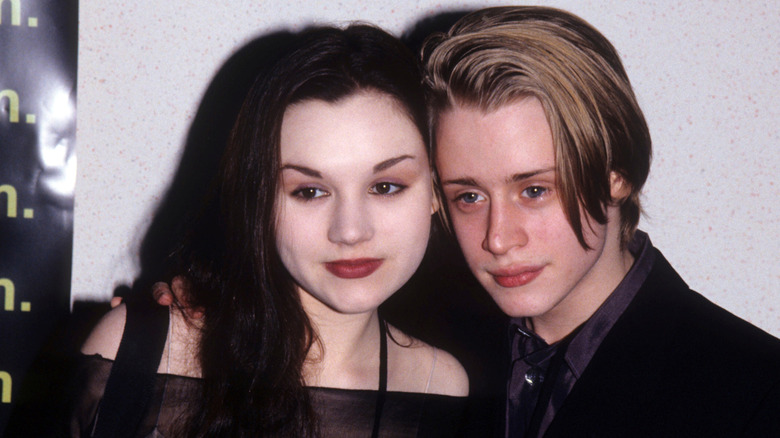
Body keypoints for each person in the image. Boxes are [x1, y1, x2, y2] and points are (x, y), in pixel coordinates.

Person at [72, 24, 468, 438]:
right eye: (310, 191)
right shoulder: (141, 350)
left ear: (436, 192)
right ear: (258, 200)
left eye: (385, 187)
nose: (350, 231)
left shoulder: (439, 385)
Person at [421, 6, 780, 437]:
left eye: (535, 190)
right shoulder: (427, 365)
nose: (498, 238)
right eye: (469, 196)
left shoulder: (756, 392)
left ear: (617, 176)